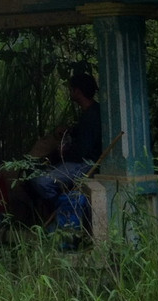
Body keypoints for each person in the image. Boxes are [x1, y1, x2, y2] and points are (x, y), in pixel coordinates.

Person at [12, 72, 102, 224]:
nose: (70, 92)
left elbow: (82, 151)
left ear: (77, 92)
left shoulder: (91, 116)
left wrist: (64, 151)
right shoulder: (91, 112)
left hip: (87, 163)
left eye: (71, 89)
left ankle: (65, 210)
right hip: (82, 160)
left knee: (42, 182)